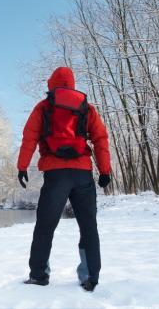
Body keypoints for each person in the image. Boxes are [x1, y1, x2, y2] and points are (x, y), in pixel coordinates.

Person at [16, 67, 111, 292]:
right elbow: (100, 138)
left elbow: (29, 137)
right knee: (88, 226)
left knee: (45, 226)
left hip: (56, 174)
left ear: (51, 84)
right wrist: (105, 170)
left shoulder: (43, 107)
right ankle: (90, 277)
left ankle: (39, 275)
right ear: (72, 83)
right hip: (82, 174)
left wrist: (22, 166)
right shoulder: (86, 108)